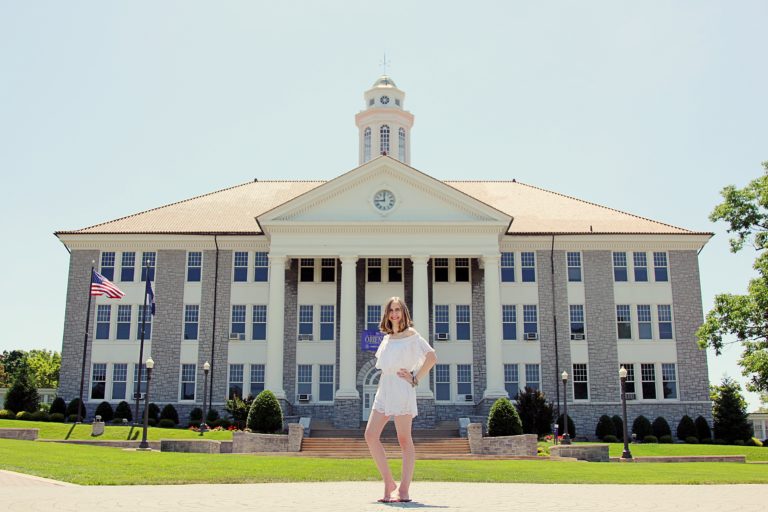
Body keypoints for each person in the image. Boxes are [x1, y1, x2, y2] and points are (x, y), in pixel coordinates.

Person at [365, 296, 437, 503]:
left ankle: (404, 490)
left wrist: (415, 378)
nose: (394, 314)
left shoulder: (412, 335)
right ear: (387, 315)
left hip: (402, 388)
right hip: (384, 389)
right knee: (370, 435)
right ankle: (388, 483)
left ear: (404, 313)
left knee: (404, 439)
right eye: (391, 310)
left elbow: (432, 357)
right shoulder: (387, 338)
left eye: (398, 309)